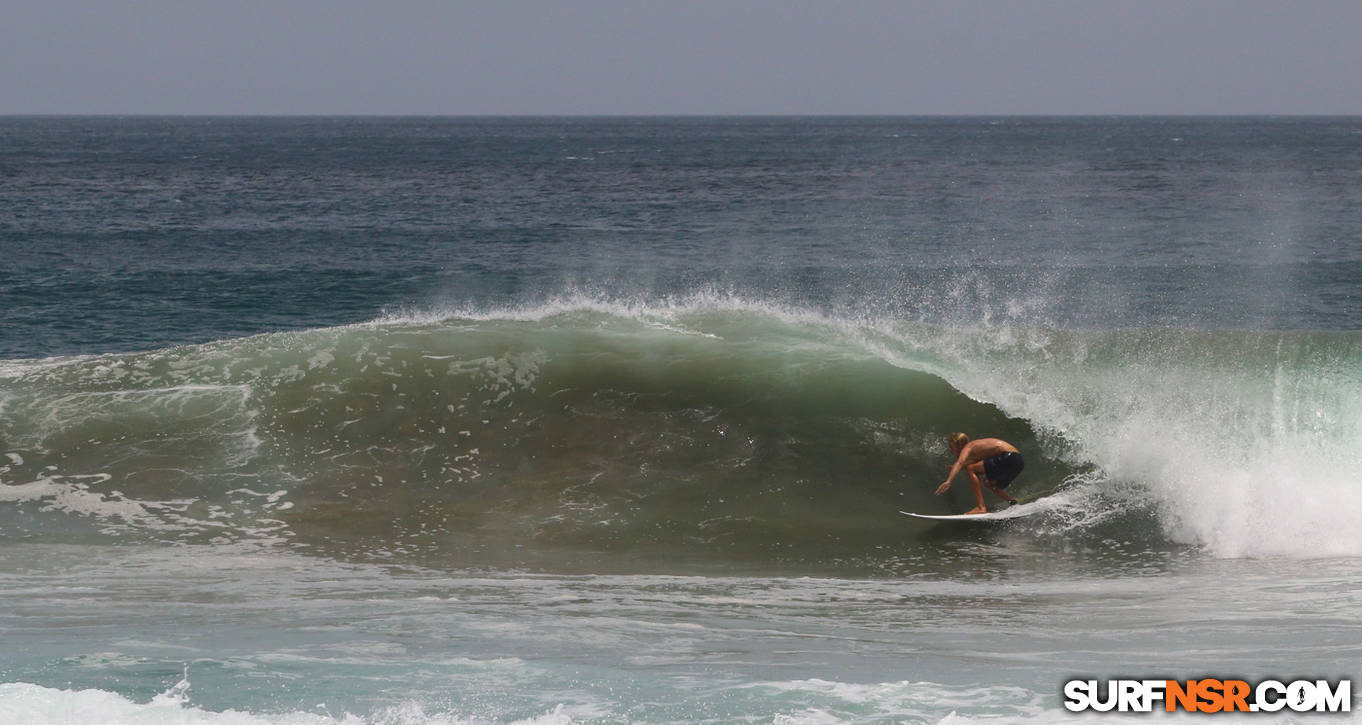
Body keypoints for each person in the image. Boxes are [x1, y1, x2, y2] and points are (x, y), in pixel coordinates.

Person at [935, 432, 1023, 514]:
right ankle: (1013, 502)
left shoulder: (968, 447)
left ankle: (981, 507)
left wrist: (948, 481)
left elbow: (960, 462)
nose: (951, 451)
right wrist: (955, 468)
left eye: (952, 447)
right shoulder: (976, 451)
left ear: (960, 445)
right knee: (989, 483)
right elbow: (967, 464)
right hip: (1017, 461)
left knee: (971, 469)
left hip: (1008, 457)